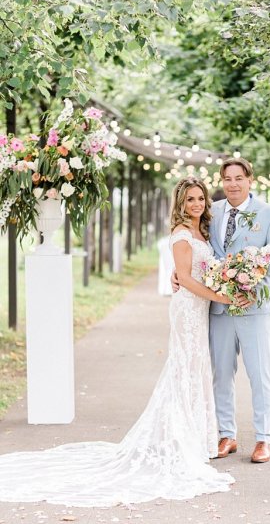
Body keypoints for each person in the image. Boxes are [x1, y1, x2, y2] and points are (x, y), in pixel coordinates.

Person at [0, 177, 236, 507]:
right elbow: (184, 278)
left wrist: (216, 287)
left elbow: (197, 270)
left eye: (200, 199)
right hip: (187, 310)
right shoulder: (182, 235)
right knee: (184, 368)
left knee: (195, 368)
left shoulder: (202, 232)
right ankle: (185, 441)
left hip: (200, 309)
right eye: (190, 200)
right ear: (180, 204)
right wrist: (218, 296)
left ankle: (196, 437)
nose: (197, 204)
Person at [173, 157, 270, 463]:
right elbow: (200, 253)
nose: (233, 184)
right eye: (227, 179)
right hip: (218, 310)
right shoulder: (213, 211)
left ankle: (263, 439)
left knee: (260, 374)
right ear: (221, 182)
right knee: (221, 374)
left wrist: (255, 292)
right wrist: (179, 274)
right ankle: (226, 435)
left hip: (254, 309)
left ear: (250, 180)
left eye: (239, 178)